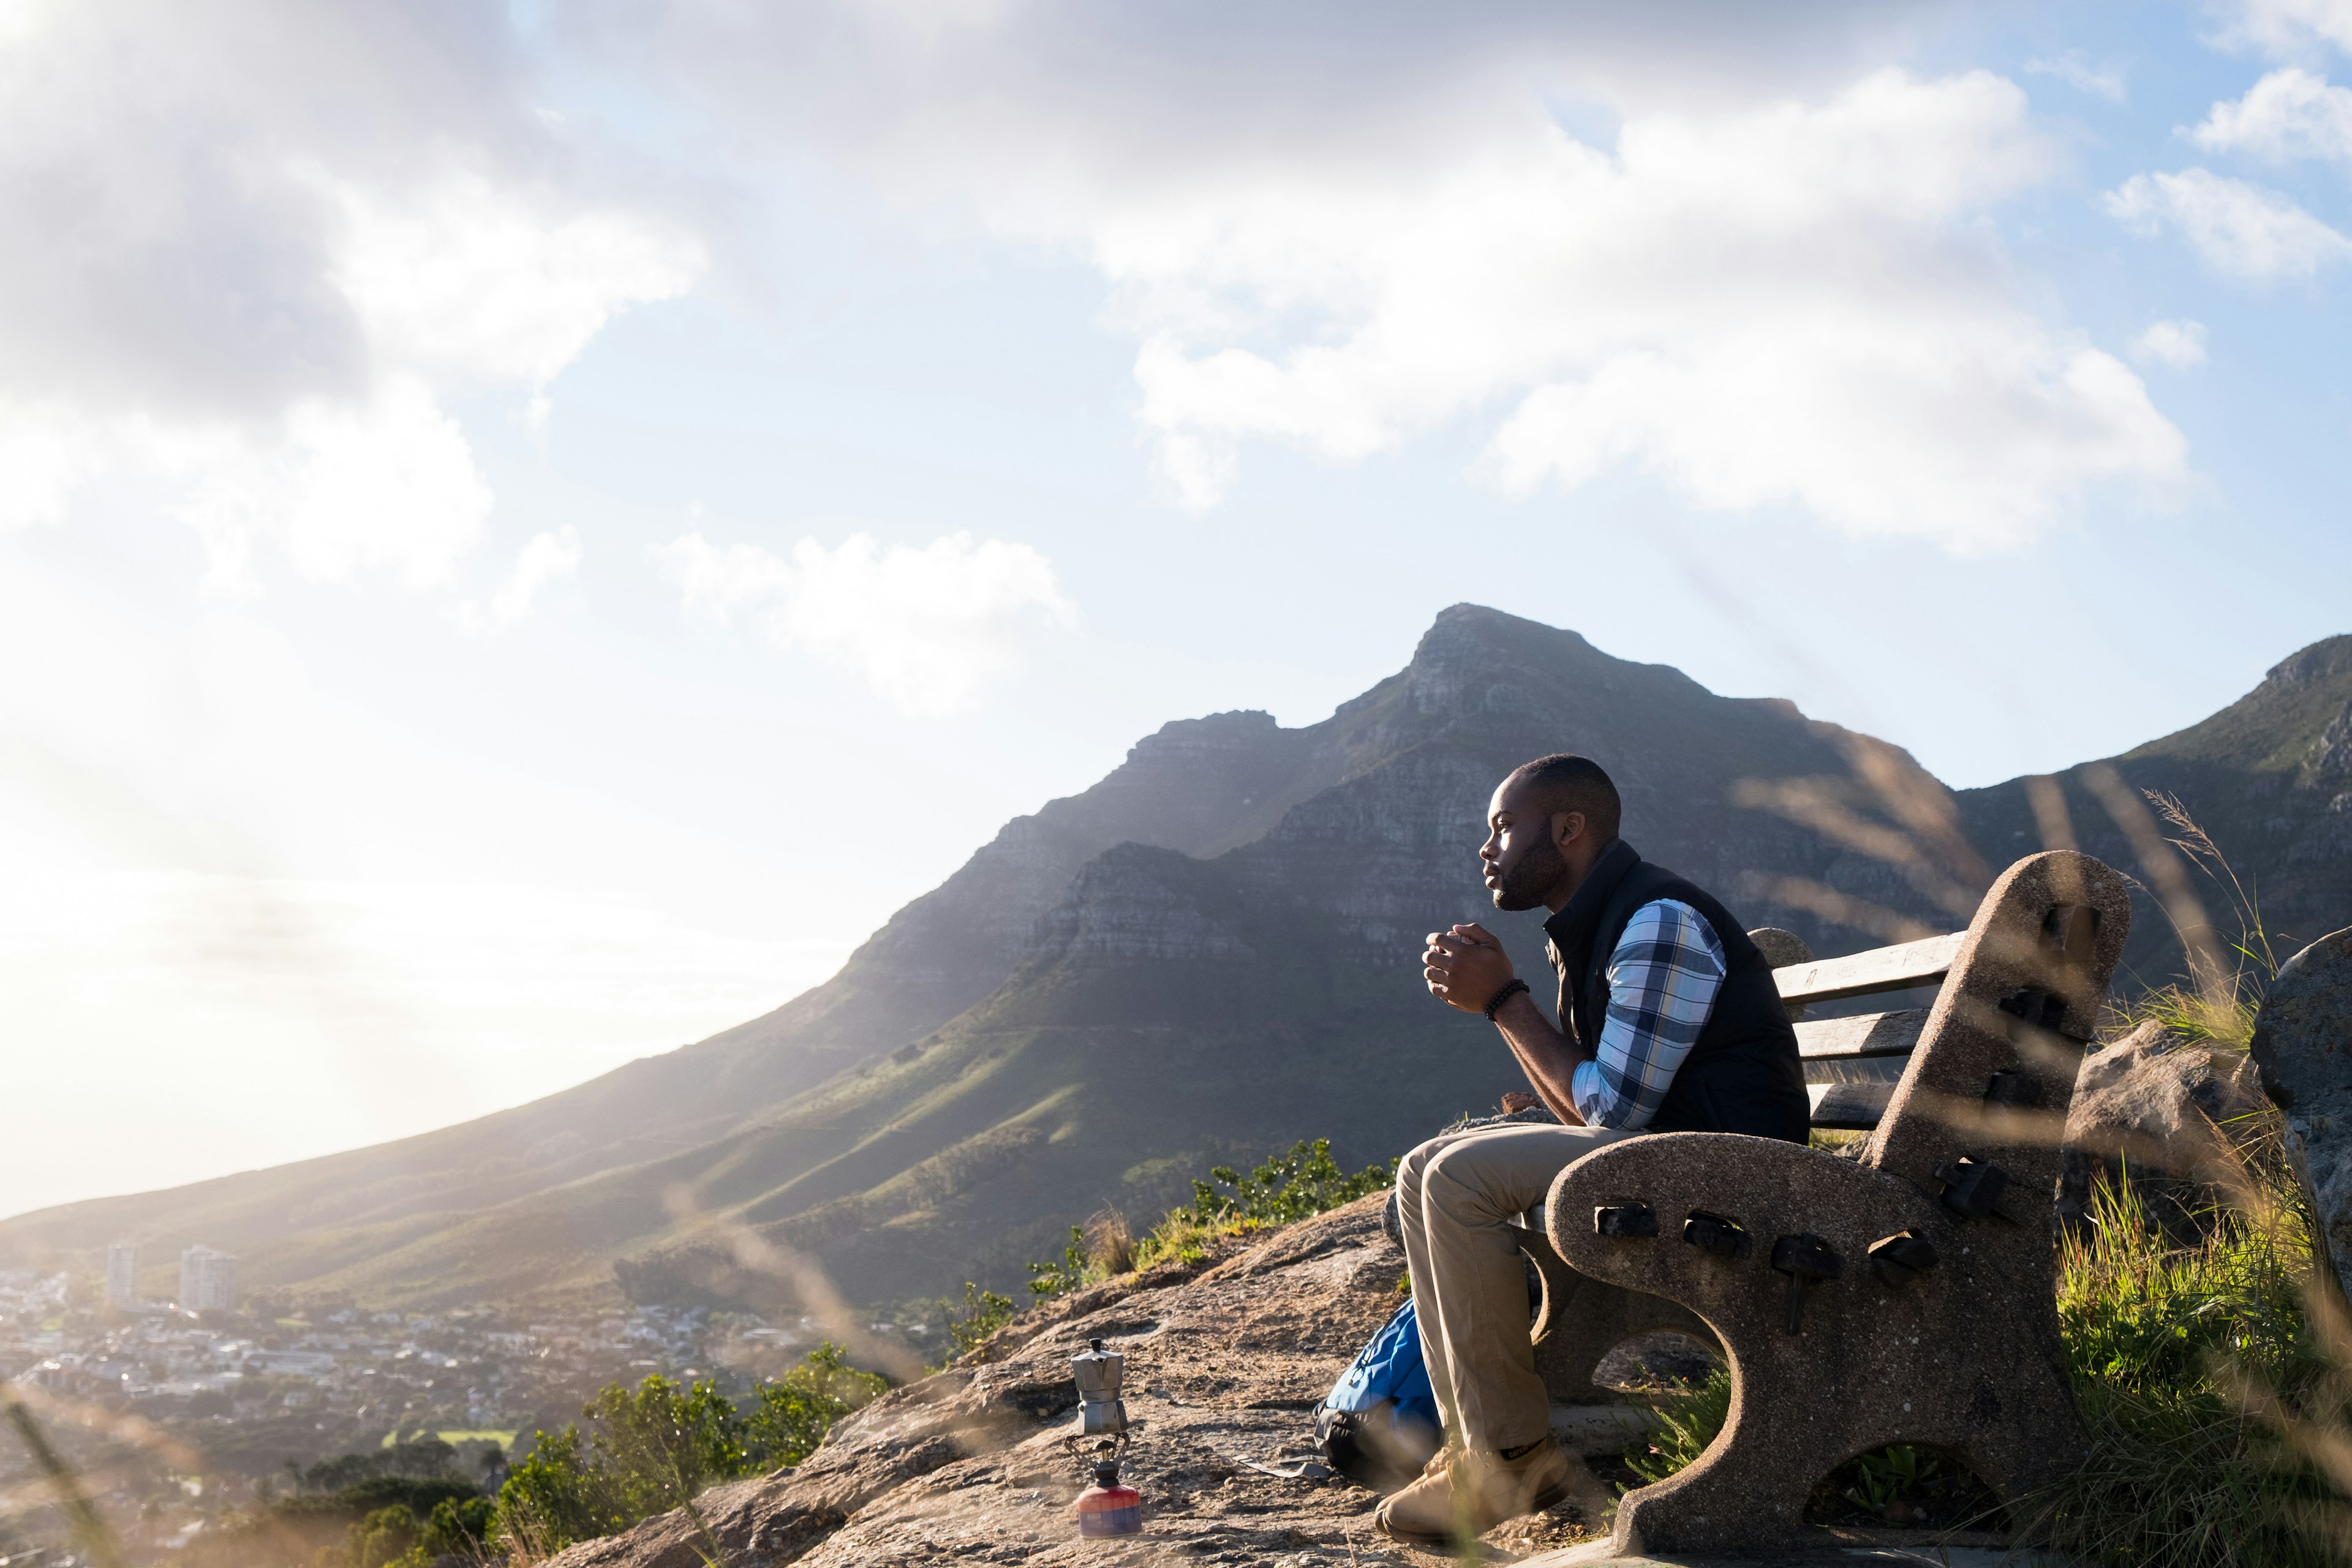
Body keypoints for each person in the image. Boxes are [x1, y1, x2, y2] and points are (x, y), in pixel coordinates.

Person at [1373, 752, 1809, 1542]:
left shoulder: (1657, 920)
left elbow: (1614, 1115)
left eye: (1504, 827)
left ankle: (1509, 1459)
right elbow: (1594, 1107)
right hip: (1676, 1150)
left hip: (1736, 1172)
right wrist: (1507, 1007)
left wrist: (1502, 1000)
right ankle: (1481, 1445)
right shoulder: (1594, 926)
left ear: (1568, 829)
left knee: (1459, 1179)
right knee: (1423, 1168)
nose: (1487, 848)